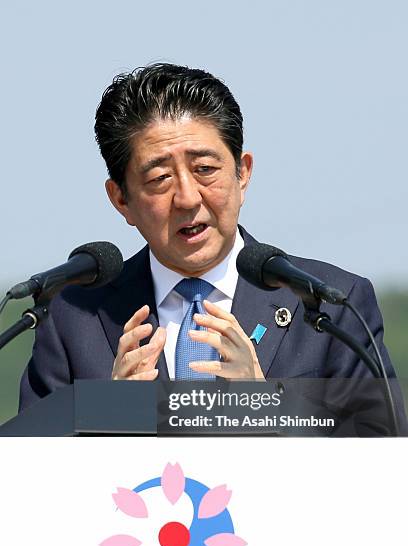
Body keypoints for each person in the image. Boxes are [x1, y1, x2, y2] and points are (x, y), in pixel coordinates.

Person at [19, 63, 406, 434]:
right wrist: (111, 416)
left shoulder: (331, 302)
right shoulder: (73, 319)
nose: (187, 198)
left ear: (243, 173)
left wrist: (266, 407)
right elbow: (31, 478)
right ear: (121, 199)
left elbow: (380, 461)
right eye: (159, 178)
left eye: (205, 169)